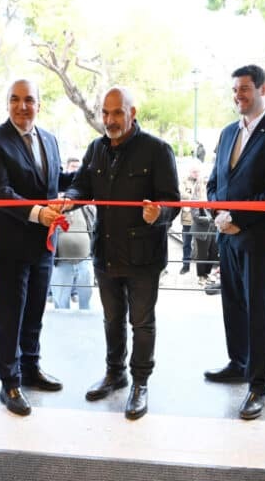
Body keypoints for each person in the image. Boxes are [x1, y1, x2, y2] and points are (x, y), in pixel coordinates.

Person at [58, 86, 180, 420]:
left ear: (132, 112)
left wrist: (160, 213)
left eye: (117, 113)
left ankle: (140, 383)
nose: (109, 120)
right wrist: (69, 199)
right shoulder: (96, 148)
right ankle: (115, 374)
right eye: (105, 113)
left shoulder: (157, 150)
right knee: (112, 319)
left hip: (143, 256)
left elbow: (173, 200)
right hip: (106, 253)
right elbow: (81, 186)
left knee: (141, 323)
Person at [204, 65, 265, 420]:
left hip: (258, 237)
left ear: (263, 88)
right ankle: (238, 363)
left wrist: (237, 219)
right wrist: (218, 213)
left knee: (259, 311)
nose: (238, 95)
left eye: (244, 88)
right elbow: (215, 182)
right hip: (226, 234)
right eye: (235, 90)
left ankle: (259, 384)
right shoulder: (229, 132)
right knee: (232, 304)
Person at [0, 79, 74, 416]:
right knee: (10, 316)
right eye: (15, 99)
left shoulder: (50, 139)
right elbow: (0, 191)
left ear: (39, 105)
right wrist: (38, 213)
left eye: (29, 100)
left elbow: (54, 181)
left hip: (43, 243)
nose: (22, 106)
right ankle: (9, 382)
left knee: (34, 311)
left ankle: (31, 368)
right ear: (7, 104)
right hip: (9, 245)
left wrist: (85, 180)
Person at [50, 158, 94, 310]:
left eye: (78, 168)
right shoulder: (52, 201)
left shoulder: (85, 203)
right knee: (61, 304)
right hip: (61, 262)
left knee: (86, 303)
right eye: (73, 168)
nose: (76, 171)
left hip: (84, 260)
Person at [178, 163, 199, 275]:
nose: (196, 174)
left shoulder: (202, 181)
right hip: (187, 216)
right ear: (190, 172)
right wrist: (192, 197)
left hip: (200, 216)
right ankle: (186, 266)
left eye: (197, 172)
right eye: (194, 172)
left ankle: (202, 271)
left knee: (202, 243)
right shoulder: (184, 181)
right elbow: (181, 193)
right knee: (186, 242)